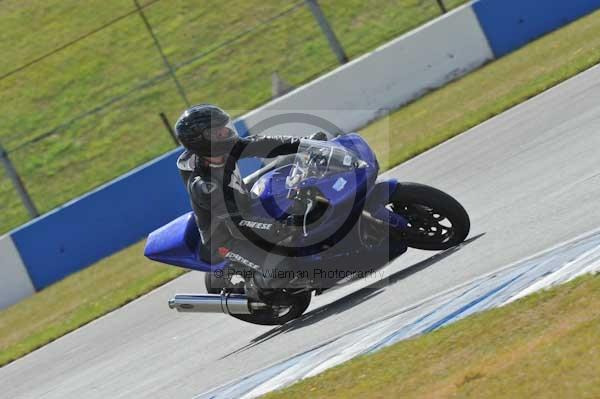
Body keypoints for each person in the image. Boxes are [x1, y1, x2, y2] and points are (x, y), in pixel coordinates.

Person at [175, 104, 326, 297]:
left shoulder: (223, 149)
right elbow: (237, 223)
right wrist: (279, 227)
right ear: (201, 141)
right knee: (281, 269)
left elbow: (263, 144)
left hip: (242, 201)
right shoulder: (204, 185)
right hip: (226, 239)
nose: (226, 132)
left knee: (287, 163)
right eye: (218, 132)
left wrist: (305, 144)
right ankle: (251, 291)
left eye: (224, 126)